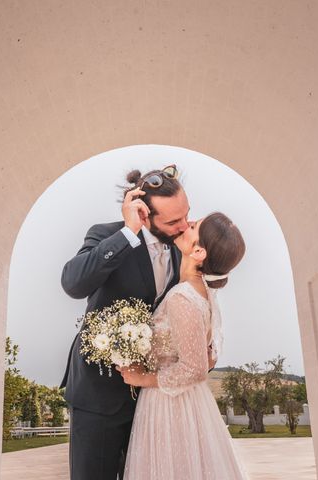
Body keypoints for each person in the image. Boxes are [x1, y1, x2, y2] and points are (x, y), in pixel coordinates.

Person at [60, 165, 193, 480]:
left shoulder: (181, 251)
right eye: (173, 221)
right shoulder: (107, 235)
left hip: (152, 401)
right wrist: (127, 234)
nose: (184, 225)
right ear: (144, 213)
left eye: (186, 214)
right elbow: (73, 284)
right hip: (97, 394)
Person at [119, 212, 248, 480]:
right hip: (188, 401)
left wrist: (142, 378)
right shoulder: (203, 292)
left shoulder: (182, 298)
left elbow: (196, 368)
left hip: (170, 405)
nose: (185, 226)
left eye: (193, 227)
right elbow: (206, 357)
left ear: (199, 252)